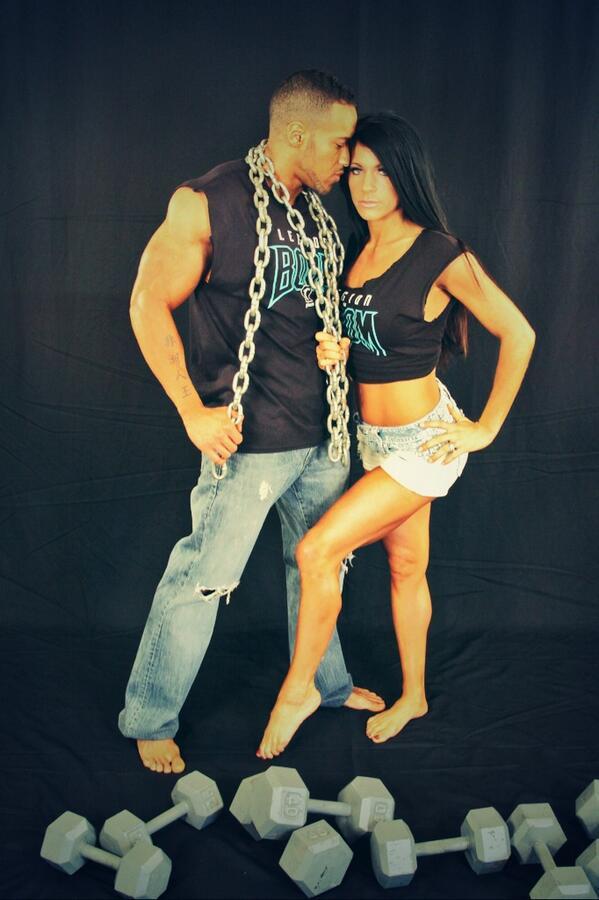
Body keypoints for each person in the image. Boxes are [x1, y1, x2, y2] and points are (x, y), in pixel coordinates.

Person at [118, 71, 386, 774]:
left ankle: (326, 687)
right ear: (296, 132)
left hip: (323, 436)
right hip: (249, 442)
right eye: (338, 143)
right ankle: (149, 716)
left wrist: (336, 346)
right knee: (201, 579)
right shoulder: (208, 202)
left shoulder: (318, 215)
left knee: (319, 570)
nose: (347, 159)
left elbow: (311, 313)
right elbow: (147, 302)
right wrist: (191, 411)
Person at [257, 112, 536, 759]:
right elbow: (366, 340)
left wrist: (485, 428)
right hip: (373, 441)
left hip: (423, 445)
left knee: (316, 551)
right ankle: (414, 695)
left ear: (405, 175)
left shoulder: (439, 252)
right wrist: (335, 350)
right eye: (356, 170)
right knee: (407, 567)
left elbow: (518, 333)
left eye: (381, 172)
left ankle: (297, 689)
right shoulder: (355, 249)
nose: (365, 185)